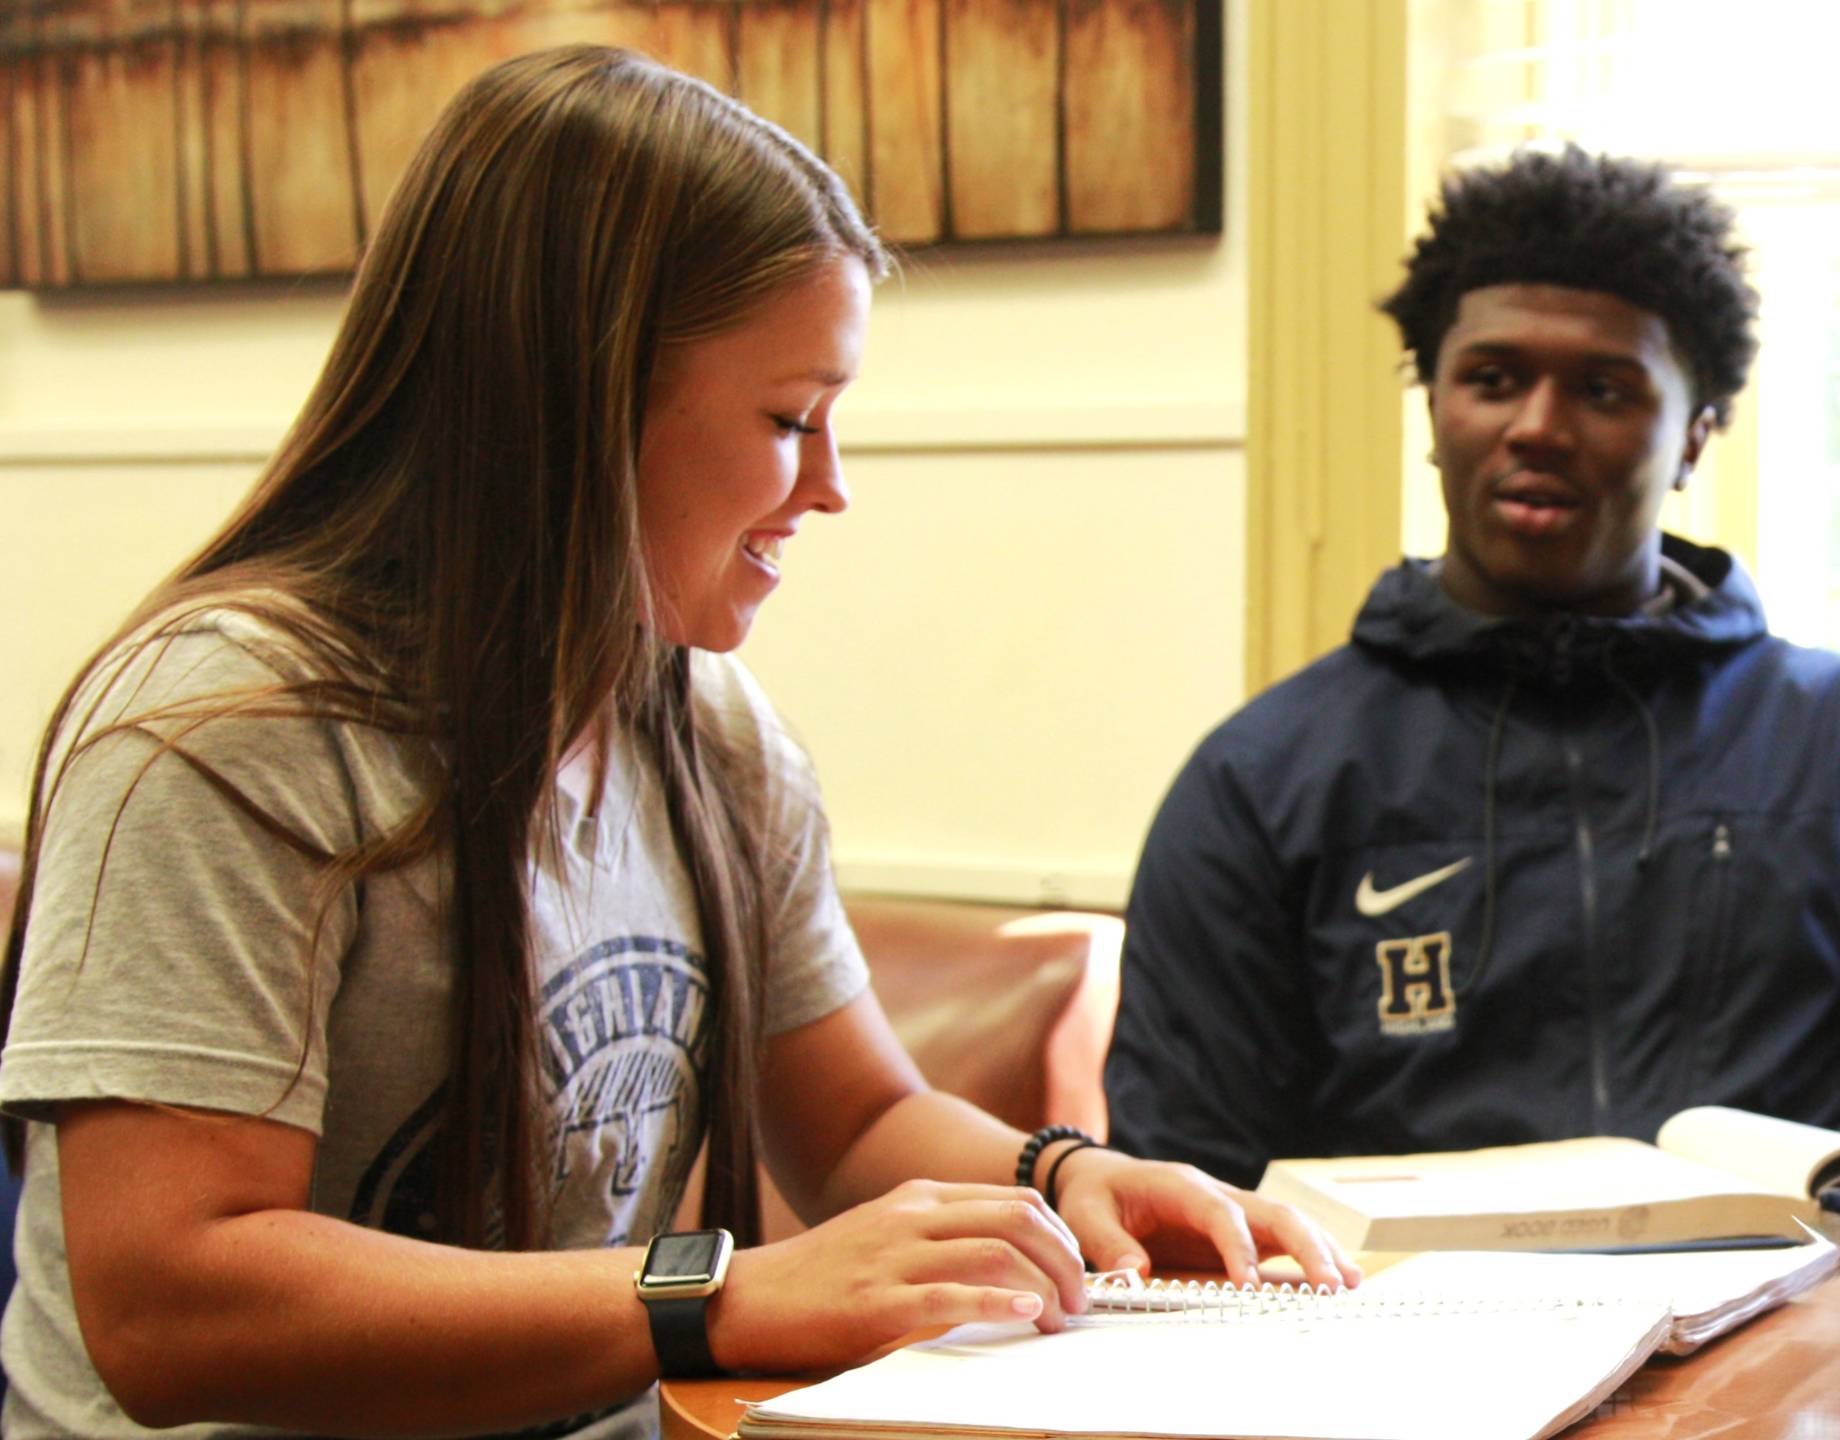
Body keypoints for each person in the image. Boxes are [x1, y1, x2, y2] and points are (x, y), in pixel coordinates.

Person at [0, 47, 1356, 1440]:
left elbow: (854, 1124)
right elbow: (171, 1300)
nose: (830, 488)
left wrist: (1061, 1175)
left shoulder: (709, 728)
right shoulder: (222, 734)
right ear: (573, 401)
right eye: (789, 419)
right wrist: (716, 1295)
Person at [1105, 146, 1840, 1189]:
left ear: (1694, 440)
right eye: (1492, 381)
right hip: (1407, 1341)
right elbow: (1182, 1188)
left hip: (1804, 1333)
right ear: (1436, 410)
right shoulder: (1262, 779)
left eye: (1603, 389)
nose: (1537, 427)